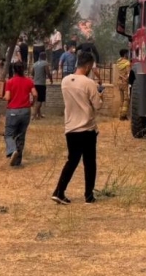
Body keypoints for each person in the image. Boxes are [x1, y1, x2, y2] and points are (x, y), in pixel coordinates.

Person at [52, 51, 103, 205]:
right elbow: (98, 106)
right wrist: (100, 95)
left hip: (71, 128)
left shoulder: (65, 81)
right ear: (88, 66)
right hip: (87, 128)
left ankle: (59, 191)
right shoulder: (89, 83)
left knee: (72, 161)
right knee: (89, 162)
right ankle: (88, 195)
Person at [3, 62, 37, 167]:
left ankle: (12, 150)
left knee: (9, 135)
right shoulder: (29, 81)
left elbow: (7, 97)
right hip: (26, 111)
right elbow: (35, 94)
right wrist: (32, 103)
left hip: (13, 111)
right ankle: (17, 162)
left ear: (14, 70)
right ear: (23, 69)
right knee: (21, 136)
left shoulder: (10, 82)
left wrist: (3, 96)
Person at [32, 51, 52, 119]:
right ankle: (34, 115)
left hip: (35, 84)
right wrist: (51, 79)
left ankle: (39, 114)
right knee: (40, 100)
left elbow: (32, 73)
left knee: (37, 99)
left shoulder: (34, 64)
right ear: (44, 57)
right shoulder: (45, 63)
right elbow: (48, 72)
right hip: (41, 84)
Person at [116, 49, 132, 121]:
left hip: (119, 82)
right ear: (125, 54)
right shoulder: (127, 63)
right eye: (127, 53)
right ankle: (123, 115)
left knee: (121, 99)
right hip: (124, 82)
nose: (128, 55)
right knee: (126, 99)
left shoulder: (118, 62)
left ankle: (120, 113)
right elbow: (128, 73)